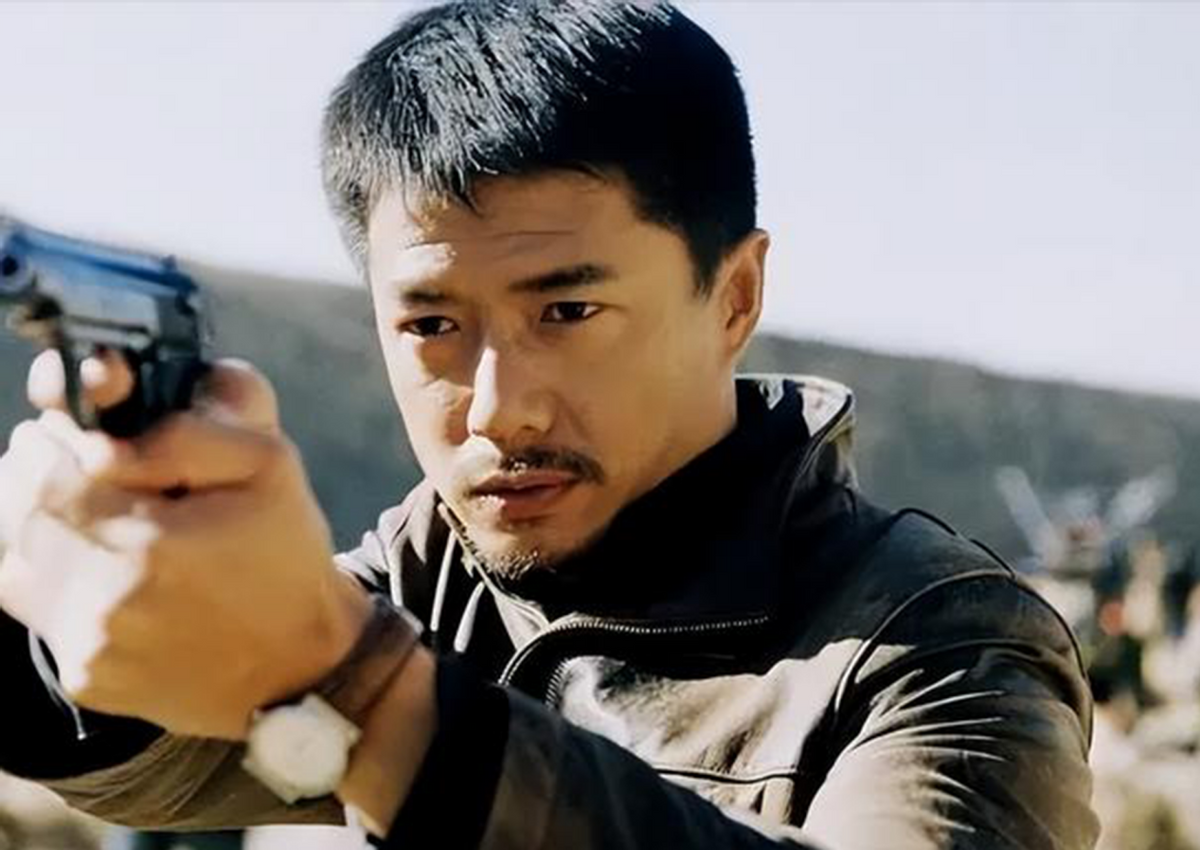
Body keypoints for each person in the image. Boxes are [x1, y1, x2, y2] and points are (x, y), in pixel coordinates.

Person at [0, 2, 1099, 848]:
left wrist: (371, 692)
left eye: (567, 313)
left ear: (734, 297)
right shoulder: (431, 575)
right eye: (431, 324)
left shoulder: (943, 643)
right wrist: (50, 596)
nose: (496, 407)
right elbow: (159, 754)